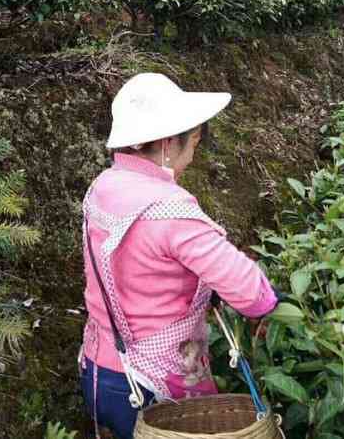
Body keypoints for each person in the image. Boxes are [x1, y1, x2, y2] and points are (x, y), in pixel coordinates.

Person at [80, 73, 279, 439]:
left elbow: (142, 267)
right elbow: (249, 290)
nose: (193, 156)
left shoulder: (102, 188)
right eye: (194, 145)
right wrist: (267, 306)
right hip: (154, 387)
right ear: (170, 144)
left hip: (98, 370)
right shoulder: (170, 209)